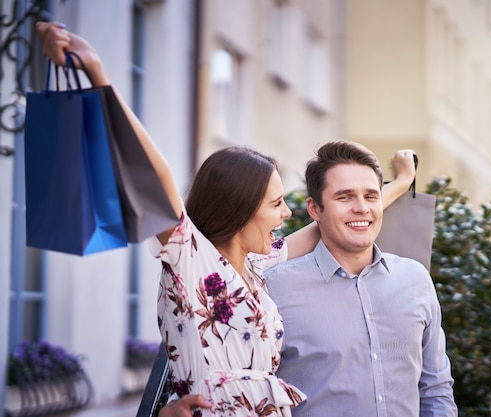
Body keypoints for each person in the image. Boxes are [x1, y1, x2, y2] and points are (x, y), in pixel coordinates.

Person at [36, 22, 416, 417]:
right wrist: (97, 73)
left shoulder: (254, 267)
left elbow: (337, 217)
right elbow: (156, 175)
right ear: (240, 209)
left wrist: (400, 183)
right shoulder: (191, 260)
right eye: (276, 204)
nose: (287, 213)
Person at [265, 141, 458, 416]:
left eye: (371, 196)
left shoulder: (415, 280)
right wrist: (403, 181)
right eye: (344, 197)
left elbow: (435, 390)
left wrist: (404, 181)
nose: (361, 208)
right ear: (314, 209)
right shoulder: (274, 288)